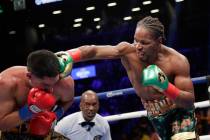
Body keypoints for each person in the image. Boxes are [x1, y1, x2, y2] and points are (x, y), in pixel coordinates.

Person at [56, 16, 198, 140]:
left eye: (144, 43)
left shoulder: (176, 61)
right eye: (136, 40)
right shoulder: (128, 52)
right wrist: (69, 56)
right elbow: (94, 51)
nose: (138, 46)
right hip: (156, 114)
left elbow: (189, 101)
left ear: (159, 41)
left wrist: (166, 87)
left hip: (179, 110)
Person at [0, 49, 74, 140]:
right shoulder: (7, 83)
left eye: (54, 82)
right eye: (45, 85)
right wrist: (31, 110)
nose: (51, 90)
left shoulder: (65, 83)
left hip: (44, 134)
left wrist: (55, 115)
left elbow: (69, 100)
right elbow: (2, 125)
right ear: (29, 76)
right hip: (10, 133)